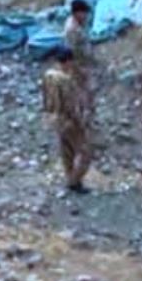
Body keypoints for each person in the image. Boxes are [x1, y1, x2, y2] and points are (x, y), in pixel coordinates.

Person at [40, 51, 93, 193]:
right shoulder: (65, 80)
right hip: (69, 119)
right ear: (69, 61)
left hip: (55, 118)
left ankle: (70, 176)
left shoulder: (48, 75)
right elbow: (71, 103)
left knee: (67, 151)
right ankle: (74, 181)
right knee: (85, 152)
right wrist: (80, 120)